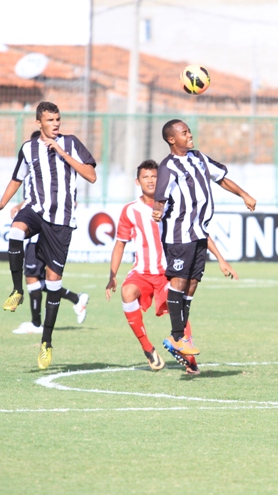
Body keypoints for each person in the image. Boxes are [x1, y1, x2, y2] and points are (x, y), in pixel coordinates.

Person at [0, 101, 97, 370]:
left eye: (58, 119)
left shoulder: (70, 143)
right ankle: (17, 291)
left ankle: (46, 342)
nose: (55, 123)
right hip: (35, 210)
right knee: (15, 232)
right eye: (50, 120)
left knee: (53, 284)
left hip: (61, 221)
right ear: (39, 123)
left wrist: (62, 153)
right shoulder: (28, 148)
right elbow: (17, 178)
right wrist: (3, 203)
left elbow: (91, 176)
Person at [105, 159, 238, 373]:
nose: (150, 180)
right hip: (142, 272)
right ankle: (148, 348)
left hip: (169, 272)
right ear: (137, 182)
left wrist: (221, 259)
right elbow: (120, 244)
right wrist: (112, 275)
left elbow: (197, 233)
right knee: (127, 292)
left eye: (154, 177)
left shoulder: (174, 205)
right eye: (145, 177)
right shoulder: (130, 210)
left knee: (180, 310)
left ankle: (189, 358)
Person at [151, 119, 256, 374]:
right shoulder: (167, 167)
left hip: (199, 233)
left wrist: (243, 194)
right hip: (178, 235)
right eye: (184, 133)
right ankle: (178, 336)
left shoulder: (198, 158)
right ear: (171, 140)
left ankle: (181, 339)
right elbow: (160, 197)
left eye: (189, 131)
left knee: (192, 284)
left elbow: (221, 179)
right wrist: (157, 211)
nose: (190, 135)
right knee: (177, 282)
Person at [11, 202, 89, 333]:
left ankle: (36, 324)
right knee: (39, 281)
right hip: (36, 236)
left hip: (39, 236)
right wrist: (19, 207)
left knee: (32, 277)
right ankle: (76, 298)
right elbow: (31, 198)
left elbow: (68, 201)